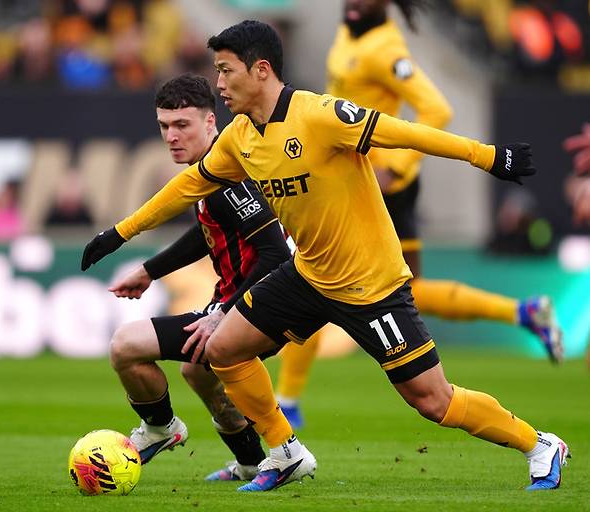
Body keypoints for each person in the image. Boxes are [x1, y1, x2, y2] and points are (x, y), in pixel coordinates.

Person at [82, 20, 569, 493]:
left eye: (226, 71)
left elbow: (403, 132)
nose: (219, 84)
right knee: (222, 348)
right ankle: (285, 452)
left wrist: (486, 156)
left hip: (371, 286)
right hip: (309, 275)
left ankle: (540, 444)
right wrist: (119, 233)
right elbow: (189, 186)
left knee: (432, 400)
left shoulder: (320, 115)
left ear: (261, 70)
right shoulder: (239, 137)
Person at [275, 0, 564, 427]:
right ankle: (522, 312)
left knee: (319, 275)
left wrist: (398, 166)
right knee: (404, 287)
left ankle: (287, 399)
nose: (354, 2)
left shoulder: (386, 49)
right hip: (349, 177)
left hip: (378, 188)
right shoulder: (347, 35)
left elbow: (437, 108)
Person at [102, 73, 292, 481]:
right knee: (199, 372)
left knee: (125, 346)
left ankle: (159, 429)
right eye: (164, 126)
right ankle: (250, 462)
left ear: (210, 122)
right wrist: (150, 271)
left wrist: (223, 312)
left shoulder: (228, 179)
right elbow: (209, 231)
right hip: (245, 299)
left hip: (260, 303)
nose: (171, 136)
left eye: (182, 125)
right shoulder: (210, 172)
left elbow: (276, 252)